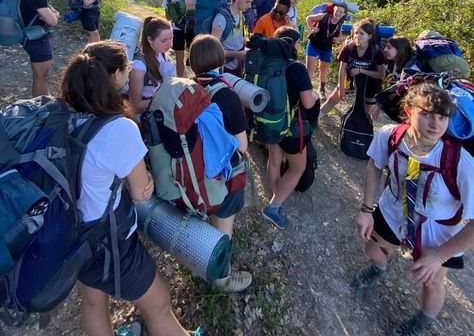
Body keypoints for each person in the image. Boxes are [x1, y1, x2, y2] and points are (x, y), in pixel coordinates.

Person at [61, 41, 200, 336]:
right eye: (125, 68)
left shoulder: (62, 113)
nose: (128, 72)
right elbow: (140, 192)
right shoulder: (118, 129)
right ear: (112, 77)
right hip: (107, 240)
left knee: (92, 302)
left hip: (69, 231)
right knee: (159, 305)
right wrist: (147, 179)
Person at [351, 81, 474, 336]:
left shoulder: (460, 161)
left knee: (432, 281)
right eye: (426, 113)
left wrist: (439, 256)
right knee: (372, 248)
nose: (435, 124)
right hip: (392, 211)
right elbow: (375, 166)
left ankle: (424, 319)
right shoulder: (390, 134)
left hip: (437, 232)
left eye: (442, 117)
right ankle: (379, 267)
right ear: (409, 111)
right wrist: (365, 208)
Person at [189, 34, 252, 292]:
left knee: (206, 217)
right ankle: (221, 277)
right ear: (219, 60)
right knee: (223, 226)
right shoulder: (226, 94)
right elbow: (242, 146)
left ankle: (199, 260)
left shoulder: (187, 87)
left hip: (194, 171)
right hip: (223, 177)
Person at [261, 27, 319, 230]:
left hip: (268, 121)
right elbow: (308, 103)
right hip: (291, 126)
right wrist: (315, 96)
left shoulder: (264, 62)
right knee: (297, 168)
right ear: (292, 45)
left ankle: (276, 193)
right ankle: (273, 207)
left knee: (275, 159)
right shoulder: (296, 68)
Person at [319, 19, 385, 120]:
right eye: (356, 33)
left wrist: (360, 70)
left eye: (361, 34)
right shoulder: (348, 48)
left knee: (365, 113)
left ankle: (359, 132)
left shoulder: (376, 51)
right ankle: (314, 119)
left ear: (370, 36)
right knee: (332, 100)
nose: (357, 36)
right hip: (350, 79)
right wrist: (341, 89)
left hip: (370, 84)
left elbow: (381, 74)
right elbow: (342, 69)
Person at [19, 0, 59, 96]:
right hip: (38, 39)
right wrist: (55, 15)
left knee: (40, 77)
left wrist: (53, 15)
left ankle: (42, 104)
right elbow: (53, 21)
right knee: (42, 78)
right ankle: (40, 108)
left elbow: (51, 15)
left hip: (31, 37)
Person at [128, 16, 176, 118]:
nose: (170, 44)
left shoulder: (162, 54)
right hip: (144, 121)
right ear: (150, 39)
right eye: (164, 40)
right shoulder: (139, 66)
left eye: (171, 38)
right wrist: (162, 100)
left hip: (157, 113)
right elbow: (134, 106)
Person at [211, 0, 256, 76]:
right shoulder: (221, 18)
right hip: (224, 68)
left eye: (251, 2)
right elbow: (213, 49)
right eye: (247, 2)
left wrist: (252, 44)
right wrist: (236, 54)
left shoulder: (241, 16)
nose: (249, 6)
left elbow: (239, 39)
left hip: (238, 66)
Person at [305, 3, 346, 98]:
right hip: (313, 44)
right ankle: (307, 90)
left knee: (323, 68)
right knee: (309, 68)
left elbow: (340, 35)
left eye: (341, 12)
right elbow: (309, 18)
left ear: (344, 14)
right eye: (337, 11)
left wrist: (337, 39)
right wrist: (312, 28)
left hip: (326, 47)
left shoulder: (340, 23)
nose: (338, 13)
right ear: (333, 10)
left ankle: (321, 89)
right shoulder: (324, 16)